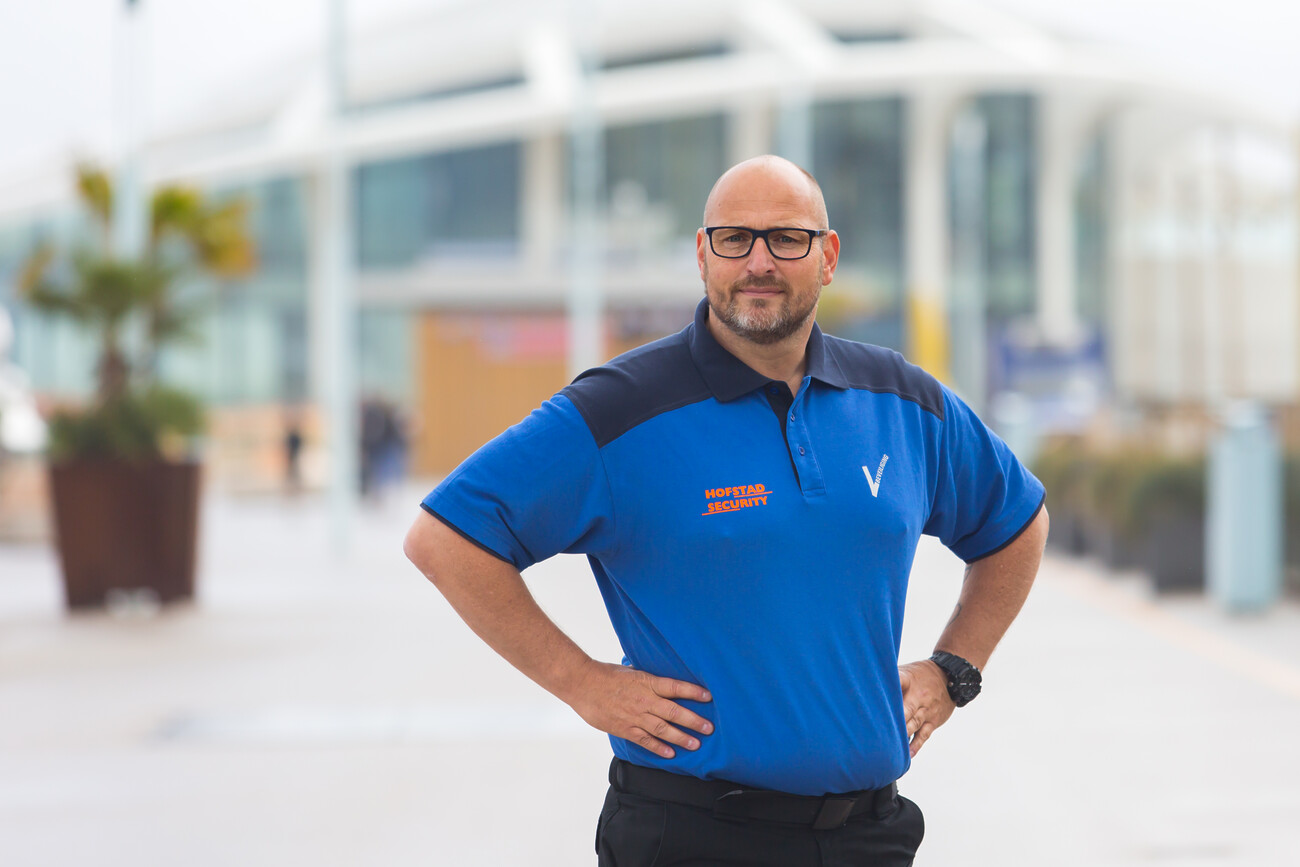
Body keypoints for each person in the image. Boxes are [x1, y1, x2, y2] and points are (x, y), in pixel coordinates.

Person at [404, 155, 1048, 866]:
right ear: (703, 255)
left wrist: (955, 669)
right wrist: (581, 681)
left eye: (786, 239)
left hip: (870, 835)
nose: (759, 261)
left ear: (828, 256)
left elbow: (1016, 522)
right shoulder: (624, 407)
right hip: (693, 834)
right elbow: (445, 537)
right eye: (735, 239)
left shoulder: (900, 400)